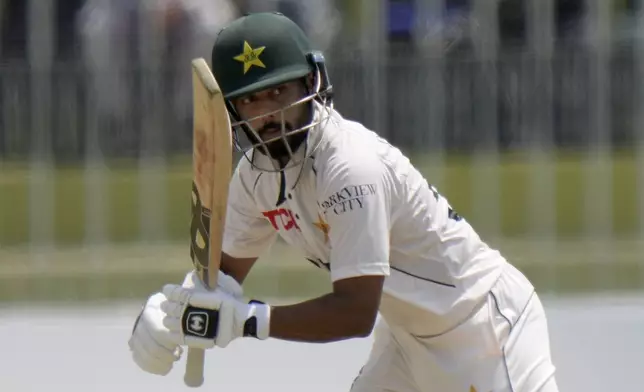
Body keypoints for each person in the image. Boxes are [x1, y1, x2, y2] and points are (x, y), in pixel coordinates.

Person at [128, 12, 559, 392]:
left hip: (483, 327)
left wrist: (246, 321)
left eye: (279, 92)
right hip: (407, 340)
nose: (269, 115)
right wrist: (170, 314)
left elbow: (355, 312)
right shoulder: (255, 177)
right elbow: (221, 278)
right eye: (251, 99)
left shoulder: (351, 166)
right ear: (232, 111)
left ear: (312, 83)